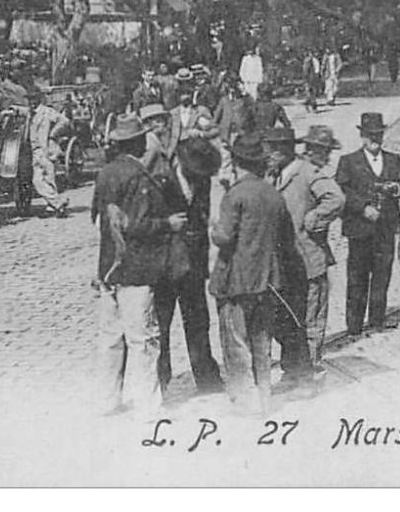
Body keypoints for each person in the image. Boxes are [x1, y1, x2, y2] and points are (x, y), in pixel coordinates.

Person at [94, 114, 188, 418]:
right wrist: (168, 223)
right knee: (142, 340)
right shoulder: (138, 178)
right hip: (136, 268)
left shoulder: (105, 173)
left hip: (108, 267)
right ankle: (149, 406)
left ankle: (108, 399)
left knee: (110, 339)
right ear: (138, 143)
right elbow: (137, 224)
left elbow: (101, 220)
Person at [211, 132, 298, 416]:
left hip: (236, 281)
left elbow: (224, 237)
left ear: (237, 162)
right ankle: (265, 399)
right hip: (268, 281)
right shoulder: (274, 195)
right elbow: (287, 238)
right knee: (262, 342)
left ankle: (244, 401)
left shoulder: (234, 195)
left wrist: (213, 227)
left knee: (237, 343)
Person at [268, 125, 345, 382]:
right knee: (291, 318)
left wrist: (314, 219)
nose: (267, 154)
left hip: (310, 259)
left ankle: (310, 369)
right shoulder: (275, 175)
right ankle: (293, 368)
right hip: (287, 263)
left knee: (311, 319)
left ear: (284, 150)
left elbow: (336, 198)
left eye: (272, 150)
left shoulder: (308, 173)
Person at [154, 136, 225, 397]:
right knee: (161, 326)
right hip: (164, 266)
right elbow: (150, 219)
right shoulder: (161, 179)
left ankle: (207, 379)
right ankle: (159, 383)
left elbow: (202, 217)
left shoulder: (202, 178)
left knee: (198, 322)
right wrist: (168, 224)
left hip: (193, 265)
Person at [336, 112, 400, 336]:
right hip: (359, 228)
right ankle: (354, 324)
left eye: (378, 135)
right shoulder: (348, 161)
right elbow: (342, 190)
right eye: (370, 135)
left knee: (382, 274)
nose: (375, 140)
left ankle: (377, 319)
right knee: (357, 275)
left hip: (385, 227)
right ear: (362, 136)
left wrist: (395, 189)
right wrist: (362, 208)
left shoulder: (393, 159)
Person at [26, 88, 72, 215]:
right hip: (36, 151)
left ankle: (56, 204)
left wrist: (53, 134)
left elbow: (64, 121)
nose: (31, 102)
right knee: (43, 180)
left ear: (39, 99)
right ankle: (55, 205)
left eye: (33, 99)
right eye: (29, 100)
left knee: (42, 181)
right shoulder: (30, 113)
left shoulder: (47, 112)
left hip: (45, 149)